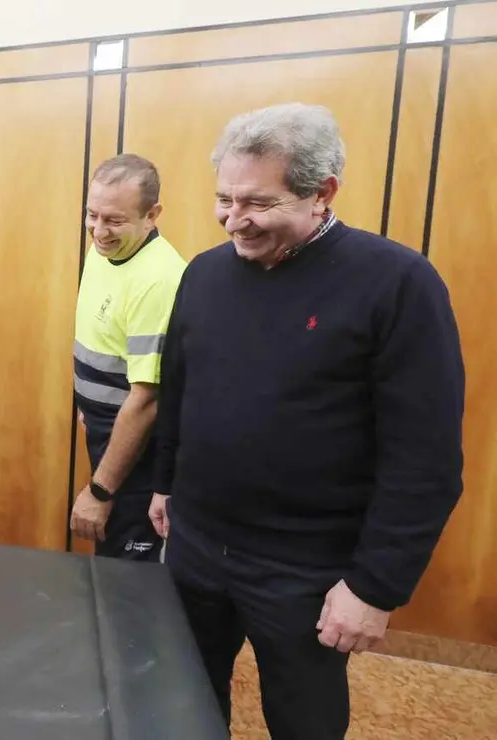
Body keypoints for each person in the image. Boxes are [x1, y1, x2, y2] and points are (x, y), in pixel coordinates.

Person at [150, 103, 465, 738]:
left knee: (304, 722)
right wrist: (164, 483)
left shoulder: (398, 283)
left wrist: (373, 587)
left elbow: (425, 459)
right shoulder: (204, 274)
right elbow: (178, 388)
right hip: (197, 545)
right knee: (180, 707)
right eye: (224, 199)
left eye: (258, 203)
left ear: (323, 193)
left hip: (306, 569)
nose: (233, 219)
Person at [69, 154, 186, 560]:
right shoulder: (104, 250)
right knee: (110, 566)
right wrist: (88, 404)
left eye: (114, 220)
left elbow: (147, 399)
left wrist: (100, 491)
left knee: (130, 579)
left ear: (151, 215)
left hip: (140, 451)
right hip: (107, 430)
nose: (99, 231)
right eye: (92, 215)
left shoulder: (158, 280)